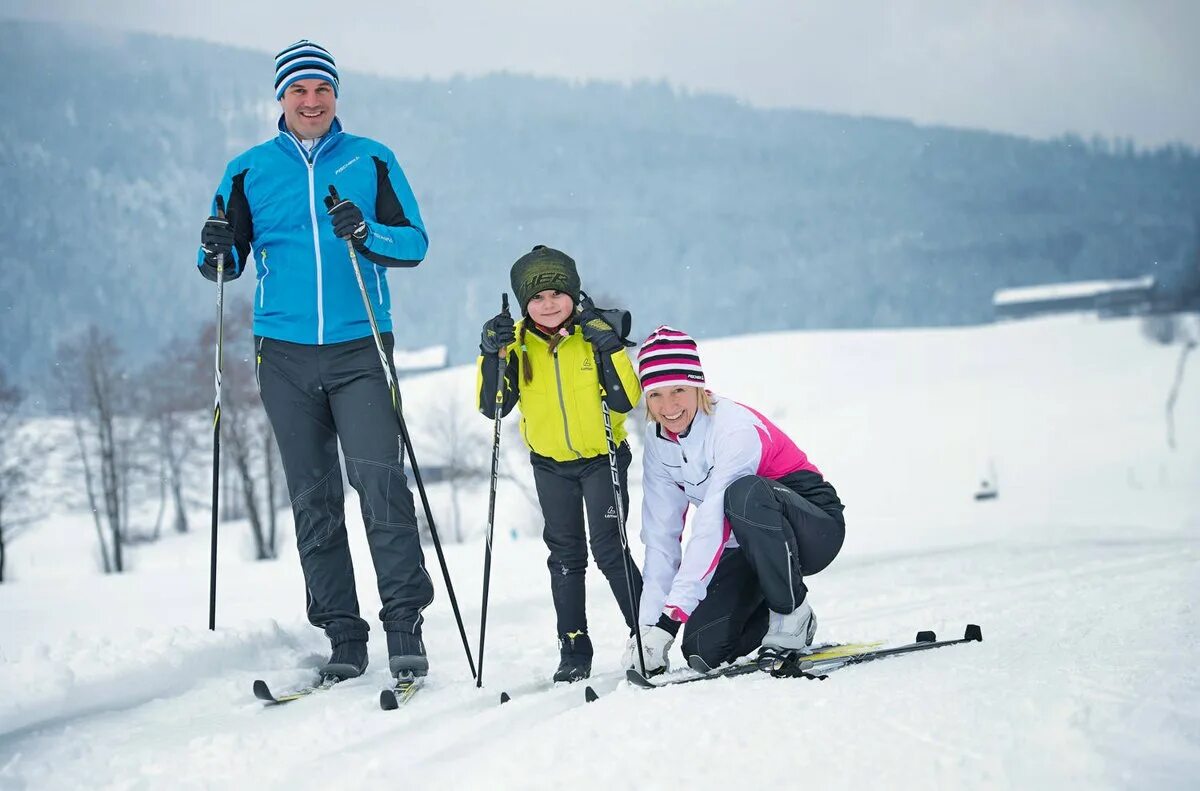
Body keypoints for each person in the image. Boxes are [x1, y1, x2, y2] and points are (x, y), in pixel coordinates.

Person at [196, 40, 434, 683]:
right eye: (298, 91)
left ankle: (404, 621)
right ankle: (343, 633)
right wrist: (213, 247)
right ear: (281, 98)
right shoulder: (247, 170)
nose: (310, 101)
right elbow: (224, 263)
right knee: (313, 497)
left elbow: (413, 243)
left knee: (380, 484)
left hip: (361, 346)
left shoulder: (371, 158)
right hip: (285, 355)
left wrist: (366, 232)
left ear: (336, 95)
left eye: (320, 90)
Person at [623, 326, 846, 675]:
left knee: (742, 494)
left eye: (678, 390)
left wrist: (672, 618)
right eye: (656, 395)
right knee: (702, 649)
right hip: (746, 544)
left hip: (812, 526)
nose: (668, 406)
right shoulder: (658, 442)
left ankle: (792, 614)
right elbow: (661, 539)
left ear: (698, 386)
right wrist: (650, 629)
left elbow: (711, 521)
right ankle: (775, 604)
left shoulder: (733, 428)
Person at [477, 246, 644, 682]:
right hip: (550, 465)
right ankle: (574, 649)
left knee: (610, 550)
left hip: (602, 458)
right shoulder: (514, 343)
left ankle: (647, 634)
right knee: (566, 556)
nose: (548, 304)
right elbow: (493, 407)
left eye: (556, 293)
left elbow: (627, 398)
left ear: (573, 293)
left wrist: (608, 345)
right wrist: (490, 352)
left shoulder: (595, 333)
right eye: (536, 298)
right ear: (522, 304)